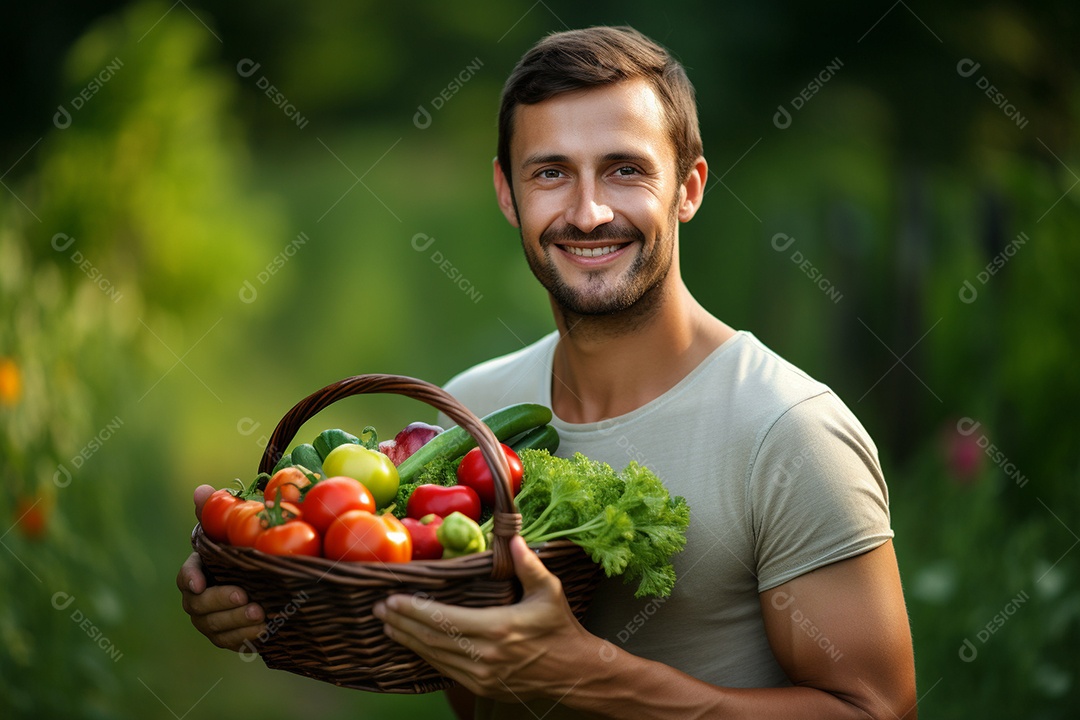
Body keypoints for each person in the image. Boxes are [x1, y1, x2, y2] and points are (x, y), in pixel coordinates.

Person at [179, 26, 917, 720]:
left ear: (688, 188)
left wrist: (591, 675)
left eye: (625, 170)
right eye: (552, 173)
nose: (589, 212)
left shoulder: (788, 431)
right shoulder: (476, 405)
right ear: (508, 194)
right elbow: (458, 672)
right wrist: (266, 597)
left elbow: (880, 710)